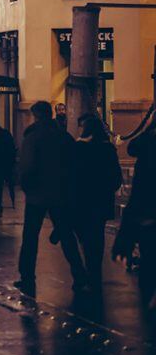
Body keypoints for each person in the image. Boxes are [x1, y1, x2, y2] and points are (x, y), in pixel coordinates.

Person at [16, 101, 88, 293]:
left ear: (36, 115)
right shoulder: (63, 136)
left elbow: (27, 167)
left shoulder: (32, 137)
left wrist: (27, 187)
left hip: (37, 195)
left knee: (30, 237)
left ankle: (27, 276)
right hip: (60, 194)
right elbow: (75, 165)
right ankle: (79, 273)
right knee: (66, 236)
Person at [70, 116, 122, 292]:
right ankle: (95, 275)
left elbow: (71, 175)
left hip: (81, 201)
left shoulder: (78, 148)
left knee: (84, 237)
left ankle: (89, 273)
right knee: (97, 238)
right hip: (100, 202)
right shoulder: (107, 149)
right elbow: (116, 178)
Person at [115, 123, 156, 310]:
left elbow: (139, 195)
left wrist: (126, 236)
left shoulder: (147, 149)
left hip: (149, 218)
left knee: (149, 262)